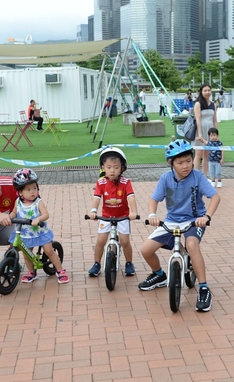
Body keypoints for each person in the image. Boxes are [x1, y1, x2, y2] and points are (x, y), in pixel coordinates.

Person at [139, 139, 221, 312]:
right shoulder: (166, 178)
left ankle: (204, 288)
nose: (185, 166)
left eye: (188, 161)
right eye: (180, 163)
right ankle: (159, 275)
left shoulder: (197, 177)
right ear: (170, 163)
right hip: (171, 220)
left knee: (192, 245)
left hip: (194, 220)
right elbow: (154, 200)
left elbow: (215, 197)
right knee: (146, 250)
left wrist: (206, 216)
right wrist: (152, 215)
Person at [9, 169, 69, 284]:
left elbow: (46, 214)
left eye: (34, 188)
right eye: (28, 189)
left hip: (40, 232)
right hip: (25, 233)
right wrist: (10, 217)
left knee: (49, 251)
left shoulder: (38, 202)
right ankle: (32, 272)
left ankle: (60, 270)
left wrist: (38, 219)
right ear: (20, 192)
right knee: (27, 254)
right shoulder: (18, 202)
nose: (33, 192)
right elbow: (14, 212)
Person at [87, 148, 139, 277]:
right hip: (106, 216)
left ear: (122, 168)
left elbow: (131, 197)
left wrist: (134, 212)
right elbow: (97, 198)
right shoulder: (101, 182)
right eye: (109, 167)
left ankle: (129, 263)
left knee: (125, 241)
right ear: (103, 168)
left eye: (116, 167)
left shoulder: (126, 182)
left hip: (123, 216)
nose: (112, 171)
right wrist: (93, 211)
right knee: (100, 241)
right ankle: (96, 264)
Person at [193, 84, 218, 175]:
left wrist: (216, 134)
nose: (207, 92)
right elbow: (198, 119)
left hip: (210, 130)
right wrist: (200, 134)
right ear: (201, 92)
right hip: (201, 129)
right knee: (199, 154)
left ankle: (205, 175)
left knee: (207, 155)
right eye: (205, 90)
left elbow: (215, 120)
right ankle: (195, 175)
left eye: (209, 90)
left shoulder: (213, 105)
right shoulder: (198, 104)